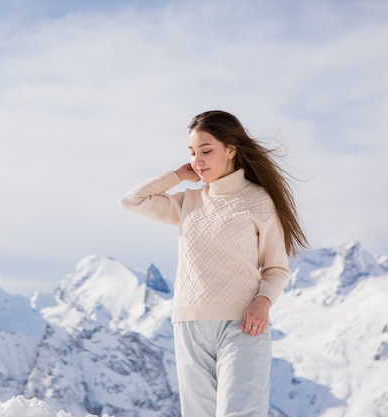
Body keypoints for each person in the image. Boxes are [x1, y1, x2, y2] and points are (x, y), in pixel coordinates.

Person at [120, 110, 308, 417]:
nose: (198, 160)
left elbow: (276, 267)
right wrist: (178, 175)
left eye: (206, 150)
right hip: (189, 325)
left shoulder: (259, 201)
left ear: (231, 150)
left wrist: (263, 300)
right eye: (193, 153)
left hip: (242, 325)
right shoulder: (189, 202)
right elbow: (131, 201)